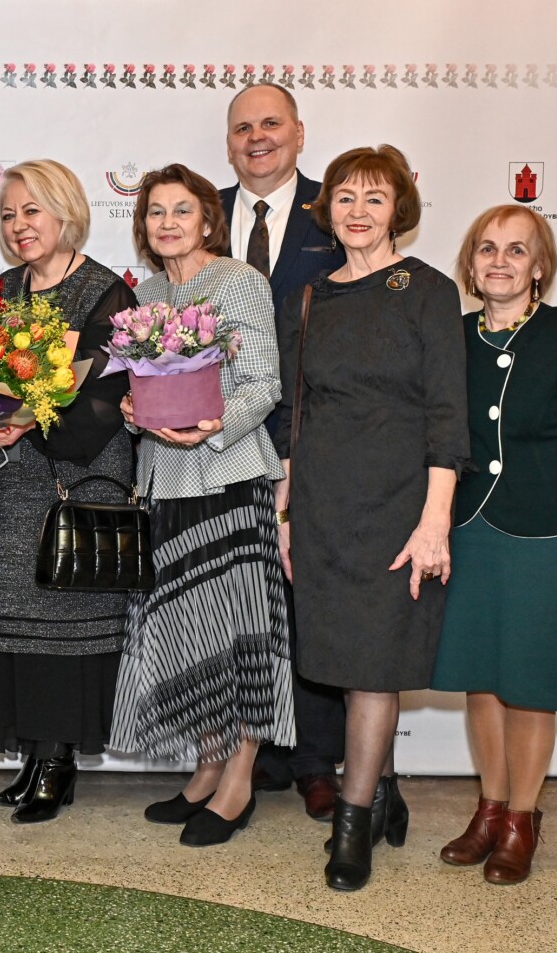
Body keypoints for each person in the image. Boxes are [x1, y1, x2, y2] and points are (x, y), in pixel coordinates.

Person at [273, 145, 469, 892]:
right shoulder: (310, 297)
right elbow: (295, 414)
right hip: (324, 507)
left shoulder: (427, 290)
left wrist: (434, 520)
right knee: (348, 664)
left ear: (398, 211)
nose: (358, 211)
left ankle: (351, 824)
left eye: (374, 198)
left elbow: (448, 414)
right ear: (327, 210)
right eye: (345, 197)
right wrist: (287, 513)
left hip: (398, 506)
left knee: (372, 667)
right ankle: (382, 792)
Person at [431, 204, 557, 884]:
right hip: (467, 533)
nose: (500, 261)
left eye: (516, 250)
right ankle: (489, 809)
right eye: (487, 249)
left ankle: (520, 821)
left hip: (546, 535)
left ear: (539, 267)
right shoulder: (451, 337)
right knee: (481, 677)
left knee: (529, 685)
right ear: (470, 263)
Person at [110, 164, 295, 847]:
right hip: (165, 482)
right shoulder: (147, 293)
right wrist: (132, 410)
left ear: (208, 220)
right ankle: (207, 765)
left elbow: (264, 383)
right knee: (192, 632)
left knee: (239, 633)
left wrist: (213, 426)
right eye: (155, 212)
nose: (167, 223)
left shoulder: (241, 281)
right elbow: (142, 387)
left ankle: (239, 780)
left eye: (181, 210)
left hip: (227, 478)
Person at [0, 160, 135, 824]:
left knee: (68, 619)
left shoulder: (104, 292)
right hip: (14, 481)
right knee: (18, 617)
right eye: (8, 214)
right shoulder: (2, 292)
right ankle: (33, 754)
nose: (18, 225)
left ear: (65, 211)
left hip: (80, 476)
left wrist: (22, 422)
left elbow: (103, 399)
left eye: (31, 210)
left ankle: (59, 762)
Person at [220, 83, 347, 820]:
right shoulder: (199, 213)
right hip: (217, 442)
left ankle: (315, 758)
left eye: (271, 124)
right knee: (238, 600)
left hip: (313, 436)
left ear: (299, 132)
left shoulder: (336, 211)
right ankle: (249, 753)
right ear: (228, 142)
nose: (257, 137)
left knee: (307, 599)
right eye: (243, 127)